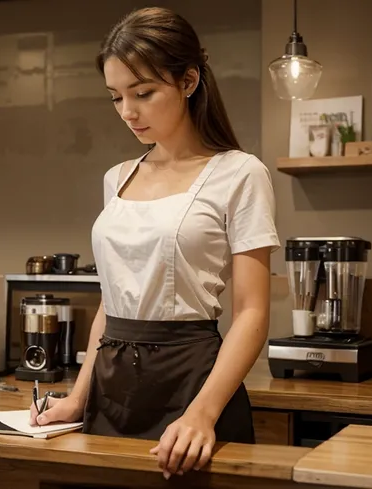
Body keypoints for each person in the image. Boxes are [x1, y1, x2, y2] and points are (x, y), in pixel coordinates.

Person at [28, 6, 279, 480]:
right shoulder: (118, 178)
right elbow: (112, 300)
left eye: (143, 93)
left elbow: (252, 312)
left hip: (191, 384)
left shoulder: (240, 173)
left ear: (188, 81)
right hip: (110, 389)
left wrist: (203, 414)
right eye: (116, 97)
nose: (128, 112)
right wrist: (79, 397)